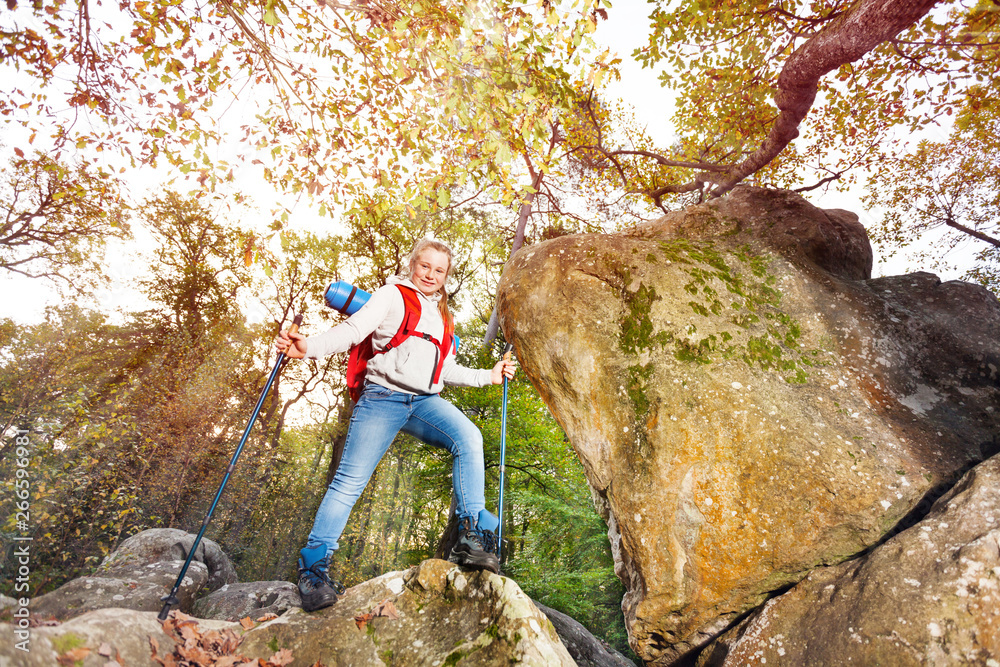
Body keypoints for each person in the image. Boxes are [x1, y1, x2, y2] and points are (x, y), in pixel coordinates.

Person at [275, 238, 516, 612]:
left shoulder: (444, 317)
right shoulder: (391, 294)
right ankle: (313, 571)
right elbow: (353, 331)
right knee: (349, 482)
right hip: (382, 398)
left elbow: (446, 370)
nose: (431, 275)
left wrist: (490, 375)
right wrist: (309, 347)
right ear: (413, 265)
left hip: (424, 402)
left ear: (446, 275)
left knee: (469, 436)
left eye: (440, 270)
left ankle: (472, 536)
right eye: (426, 267)